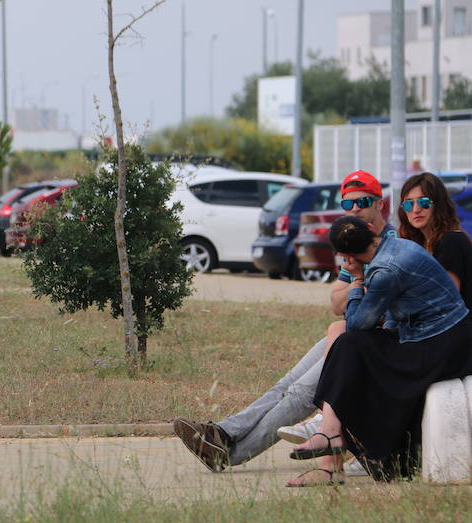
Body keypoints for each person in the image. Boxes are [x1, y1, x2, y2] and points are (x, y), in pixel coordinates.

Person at [172, 170, 397, 472]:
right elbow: (336, 303)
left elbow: (371, 311)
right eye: (348, 204)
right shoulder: (354, 240)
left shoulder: (389, 245)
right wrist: (358, 286)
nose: (354, 209)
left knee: (300, 394)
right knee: (287, 384)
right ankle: (223, 433)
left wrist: (355, 286)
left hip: (375, 344)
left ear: (380, 204)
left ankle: (228, 453)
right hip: (351, 334)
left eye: (363, 202)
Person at [286, 215, 472, 485]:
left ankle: (330, 439)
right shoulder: (400, 247)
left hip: (442, 347)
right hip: (442, 338)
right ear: (372, 230)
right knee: (349, 345)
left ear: (345, 255)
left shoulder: (384, 270)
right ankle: (330, 439)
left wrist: (357, 282)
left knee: (350, 344)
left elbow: (358, 323)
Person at [398, 172, 472, 310]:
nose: (416, 210)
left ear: (439, 205)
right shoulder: (417, 244)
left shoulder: (451, 240)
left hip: (454, 327)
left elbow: (446, 298)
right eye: (408, 204)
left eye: (423, 202)